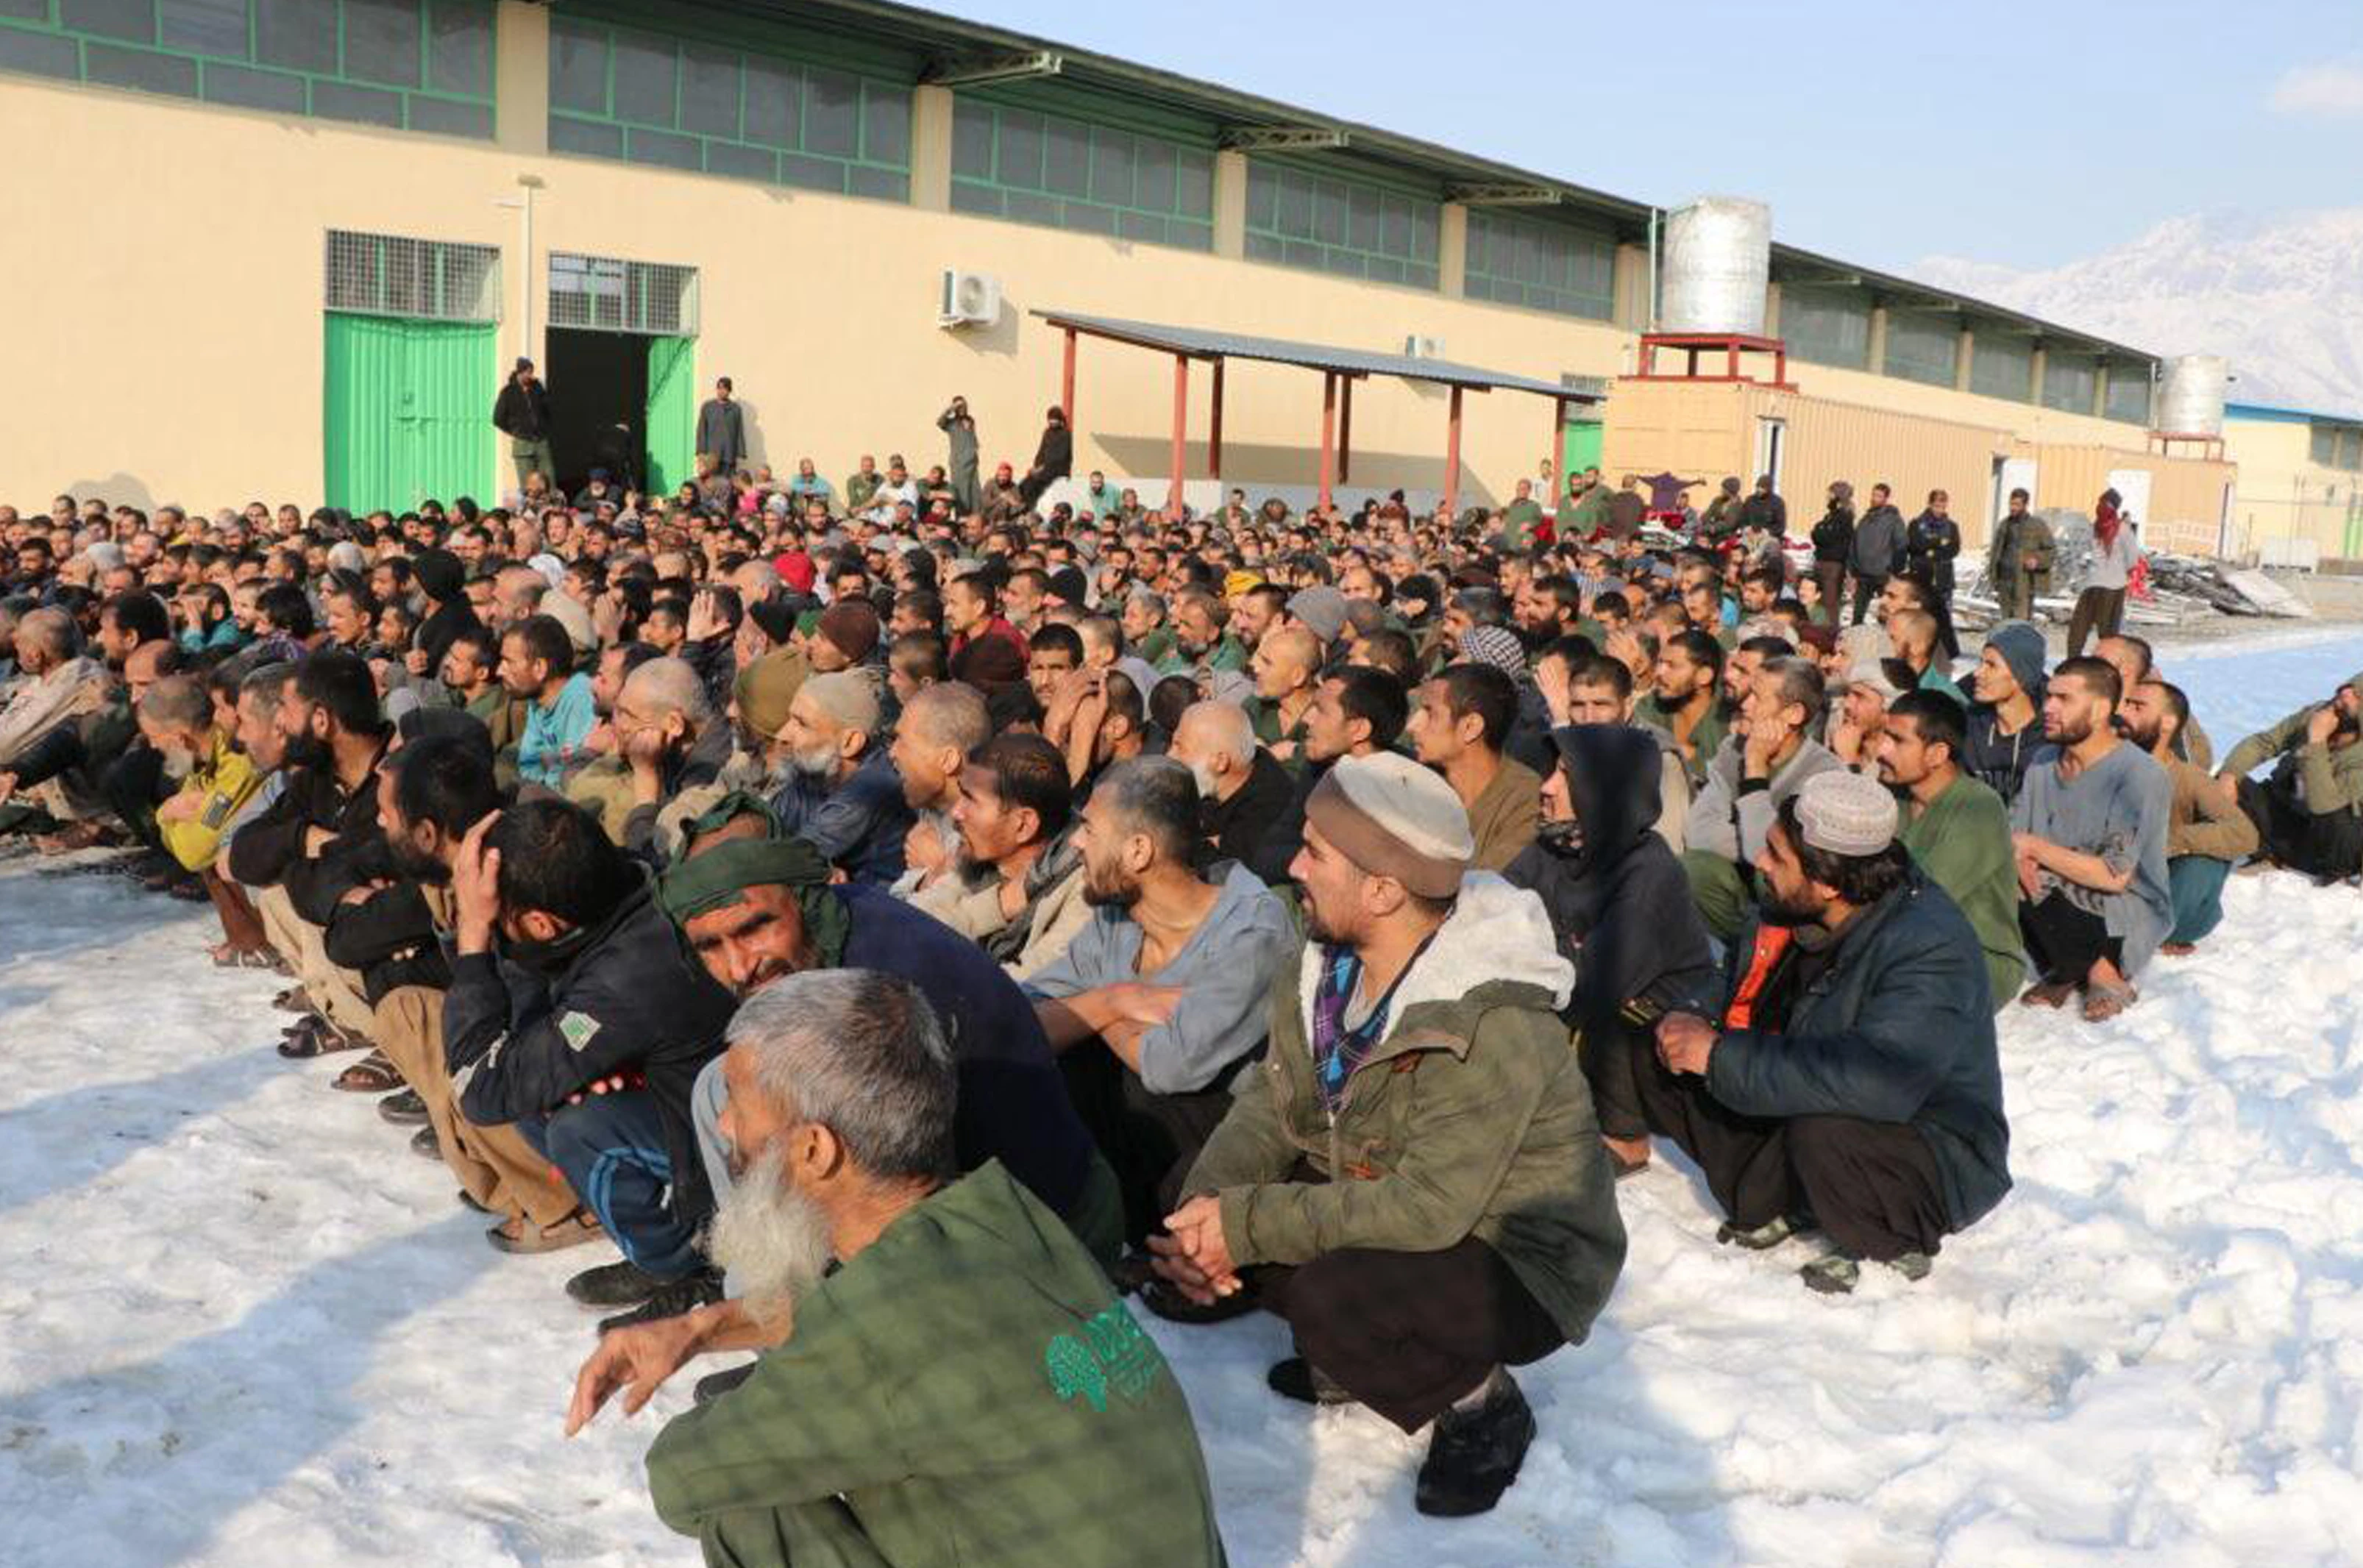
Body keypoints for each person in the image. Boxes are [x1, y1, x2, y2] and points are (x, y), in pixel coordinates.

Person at [571, 971, 1226, 1568]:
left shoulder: (873, 1331)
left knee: (747, 1508)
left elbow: (682, 1479)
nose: (723, 1123)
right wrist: (702, 1329)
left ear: (814, 1150)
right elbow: (888, 1325)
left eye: (738, 1102)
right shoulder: (1000, 1211)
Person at [1159, 752, 1626, 1517]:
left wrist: (1241, 1225)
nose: (1292, 864)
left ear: (1381, 889)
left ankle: (1482, 1405)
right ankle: (1363, 1354)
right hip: (1390, 1188)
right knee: (1194, 1191)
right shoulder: (1324, 962)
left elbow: (1429, 1208)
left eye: (1315, 851)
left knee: (1332, 1296)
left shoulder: (1491, 1017)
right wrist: (1206, 1210)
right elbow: (1270, 1105)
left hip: (1518, 1251)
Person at [660, 802, 1122, 1266]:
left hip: (1045, 1232)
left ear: (800, 899)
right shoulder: (841, 919)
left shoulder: (880, 996)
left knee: (747, 1105)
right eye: (710, 947)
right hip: (978, 1205)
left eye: (756, 927)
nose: (739, 967)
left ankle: (772, 1286)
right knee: (721, 1088)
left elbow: (906, 1194)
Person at [1641, 771, 2011, 1293]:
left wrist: (1721, 1058)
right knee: (1655, 1036)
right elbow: (1731, 979)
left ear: (1829, 881)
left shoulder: (1930, 946)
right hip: (1815, 1100)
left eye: (1776, 854)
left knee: (1825, 1129)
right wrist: (1692, 1015)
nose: (1759, 863)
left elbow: (1877, 1081)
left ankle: (1890, 1236)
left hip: (1929, 1145)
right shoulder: (1794, 903)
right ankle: (1789, 1200)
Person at [442, 797, 740, 1328]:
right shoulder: (625, 888)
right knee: (540, 1086)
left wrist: (473, 940)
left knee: (576, 1128)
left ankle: (687, 1264)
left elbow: (481, 1090)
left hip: (735, 1150)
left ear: (539, 923)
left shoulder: (627, 975)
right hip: (699, 1092)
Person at [1025, 758, 1293, 1243]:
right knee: (1057, 1065)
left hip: (1220, 1158)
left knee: (1132, 1078)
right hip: (1135, 1153)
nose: (1076, 843)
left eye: (1088, 828)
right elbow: (1023, 1020)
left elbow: (1172, 1067)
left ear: (1138, 850)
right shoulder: (1116, 922)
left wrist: (1095, 1011)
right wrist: (1116, 1000)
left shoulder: (1252, 931)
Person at [1507, 724, 1716, 1180]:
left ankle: (1625, 1140)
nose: (1547, 787)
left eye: (1565, 776)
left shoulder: (1646, 873)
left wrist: (1540, 942)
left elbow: (1596, 985)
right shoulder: (1558, 844)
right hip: (1572, 989)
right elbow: (1496, 909)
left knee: (1621, 1016)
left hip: (1659, 1014)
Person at [2010, 658, 2172, 1021]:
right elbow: (2013, 834)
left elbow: (2113, 877)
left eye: (2063, 699)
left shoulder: (2139, 774)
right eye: (2049, 696)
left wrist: (2034, 849)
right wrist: (2018, 854)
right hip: (2045, 889)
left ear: (2100, 710)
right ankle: (2069, 965)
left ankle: (2100, 971)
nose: (2048, 707)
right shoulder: (2042, 761)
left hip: (2119, 907)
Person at [1877, 690, 2026, 1011]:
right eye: (1884, 736)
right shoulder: (1893, 794)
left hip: (1975, 957)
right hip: (1901, 943)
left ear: (1937, 753)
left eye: (1897, 741)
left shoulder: (1979, 806)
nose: (1882, 749)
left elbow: (1921, 897)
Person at [1682, 657, 1844, 940]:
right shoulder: (1733, 748)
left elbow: (1774, 860)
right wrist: (1753, 843)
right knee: (1694, 866)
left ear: (1793, 713)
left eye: (1757, 697)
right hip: (1742, 894)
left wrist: (1756, 769)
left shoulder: (1824, 774)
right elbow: (1699, 831)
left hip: (1795, 906)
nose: (1744, 705)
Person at [2120, 680, 2256, 956]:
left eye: (2138, 707)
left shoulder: (2188, 777)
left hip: (2166, 884)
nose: (2125, 712)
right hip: (2111, 878)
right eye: (2126, 704)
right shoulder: (2100, 764)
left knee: (2205, 858)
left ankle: (2171, 927)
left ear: (2167, 723)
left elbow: (2244, 834)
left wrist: (2173, 840)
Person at [763, 671, 913, 886]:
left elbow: (785, 861)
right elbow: (761, 823)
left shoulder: (872, 789)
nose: (783, 735)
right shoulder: (816, 774)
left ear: (850, 742)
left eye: (802, 724)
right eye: (790, 719)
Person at [2216, 669, 2363, 882]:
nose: (2344, 693)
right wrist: (2229, 775)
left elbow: (2325, 807)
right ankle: (2269, 853)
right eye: (2347, 687)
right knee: (2221, 784)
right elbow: (2264, 743)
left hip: (2328, 844)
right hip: (2291, 817)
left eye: (2356, 695)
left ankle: (2331, 874)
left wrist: (2316, 743)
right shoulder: (2314, 714)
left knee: (2342, 823)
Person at [1407, 663, 1541, 872]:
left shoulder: (1525, 798)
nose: (1412, 726)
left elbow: (1489, 888)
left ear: (1471, 727)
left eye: (1430, 714)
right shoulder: (1416, 782)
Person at [1164, 699, 1290, 869]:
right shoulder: (1214, 781)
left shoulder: (1266, 813)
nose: (1169, 756)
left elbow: (1223, 873)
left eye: (1180, 748)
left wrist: (1191, 843)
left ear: (1221, 762)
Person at [502, 613, 595, 790]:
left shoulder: (582, 698)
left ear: (540, 668)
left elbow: (574, 779)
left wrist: (551, 768)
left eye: (509, 662)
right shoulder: (538, 700)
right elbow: (529, 766)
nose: (500, 671)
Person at [1961, 620, 2048, 805]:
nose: (1977, 673)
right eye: (1981, 663)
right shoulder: (1969, 725)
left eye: (1991, 666)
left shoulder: (2049, 738)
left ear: (2020, 677)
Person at [1635, 629, 1727, 788]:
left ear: (1704, 676)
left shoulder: (1727, 719)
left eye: (1672, 666)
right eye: (1660, 663)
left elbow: (1725, 778)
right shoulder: (1651, 705)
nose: (1659, 673)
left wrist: (1685, 753)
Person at [2068, 488, 2140, 657]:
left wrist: (2122, 573)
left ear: (2114, 508)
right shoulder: (2093, 528)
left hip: (2113, 587)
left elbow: (2132, 558)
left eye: (2106, 504)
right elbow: (2082, 552)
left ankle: (2105, 663)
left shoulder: (2122, 529)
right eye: (2100, 503)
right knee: (2079, 627)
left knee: (2107, 632)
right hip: (2092, 584)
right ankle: (2072, 660)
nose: (2101, 507)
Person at [1984, 488, 2053, 623]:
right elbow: (1996, 552)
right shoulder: (2004, 525)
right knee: (2005, 622)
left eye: (2017, 504)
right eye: (2011, 504)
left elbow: (2051, 551)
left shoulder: (2037, 526)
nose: (2013, 508)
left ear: (2025, 505)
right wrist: (1993, 577)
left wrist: (2037, 561)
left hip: (2024, 582)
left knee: (2021, 623)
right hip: (2005, 581)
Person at [1848, 483, 1905, 626]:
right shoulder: (1865, 520)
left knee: (1887, 614)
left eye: (1879, 496)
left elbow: (1901, 545)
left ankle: (1889, 642)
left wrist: (1895, 571)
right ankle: (1856, 643)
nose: (1874, 499)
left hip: (1883, 574)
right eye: (1873, 495)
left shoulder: (1894, 520)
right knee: (1858, 615)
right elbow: (1855, 544)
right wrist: (1853, 569)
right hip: (1863, 574)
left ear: (1886, 499)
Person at [492, 357, 554, 490]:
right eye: (528, 372)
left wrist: (544, 428)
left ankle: (551, 507)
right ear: (520, 372)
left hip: (541, 441)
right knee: (527, 484)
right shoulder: (508, 392)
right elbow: (498, 419)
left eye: (532, 372)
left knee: (549, 480)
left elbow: (547, 411)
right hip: (523, 443)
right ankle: (530, 508)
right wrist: (515, 431)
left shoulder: (538, 389)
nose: (530, 375)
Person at [1906, 489, 1962, 601]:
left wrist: (1934, 553)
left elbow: (1954, 549)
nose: (1939, 510)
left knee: (1942, 615)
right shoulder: (1916, 524)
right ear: (1930, 504)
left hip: (1943, 578)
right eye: (1936, 506)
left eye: (1943, 506)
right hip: (1921, 574)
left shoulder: (1951, 526)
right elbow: (1915, 545)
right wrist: (1938, 542)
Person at [1809, 482, 1855, 617]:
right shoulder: (1830, 516)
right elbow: (1816, 534)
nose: (1828, 497)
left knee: (1829, 603)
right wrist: (1819, 531)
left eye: (1830, 493)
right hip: (1821, 560)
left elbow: (1826, 536)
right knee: (1818, 602)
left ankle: (1830, 632)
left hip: (1833, 565)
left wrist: (1820, 531)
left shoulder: (1844, 516)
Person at [1019, 404, 1073, 509]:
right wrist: (1036, 466)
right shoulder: (1047, 433)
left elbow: (1061, 456)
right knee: (1024, 484)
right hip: (1044, 468)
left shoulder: (1066, 434)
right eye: (1051, 419)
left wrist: (1042, 468)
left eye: (1055, 419)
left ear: (1060, 420)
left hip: (1058, 469)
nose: (1052, 422)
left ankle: (1030, 507)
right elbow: (1041, 451)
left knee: (1035, 483)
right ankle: (1024, 507)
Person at [936, 394, 980, 513]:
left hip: (973, 463)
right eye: (959, 406)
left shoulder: (970, 421)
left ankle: (975, 519)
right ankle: (962, 520)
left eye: (964, 405)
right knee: (962, 494)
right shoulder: (951, 423)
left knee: (975, 494)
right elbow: (940, 422)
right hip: (960, 463)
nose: (962, 408)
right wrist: (951, 408)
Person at [695, 377, 746, 477]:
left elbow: (739, 431)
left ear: (729, 391)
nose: (721, 391)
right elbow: (701, 430)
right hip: (711, 453)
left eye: (725, 389)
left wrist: (741, 452)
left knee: (727, 481)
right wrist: (701, 451)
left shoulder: (735, 409)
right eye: (719, 388)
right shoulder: (708, 407)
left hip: (729, 452)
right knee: (710, 481)